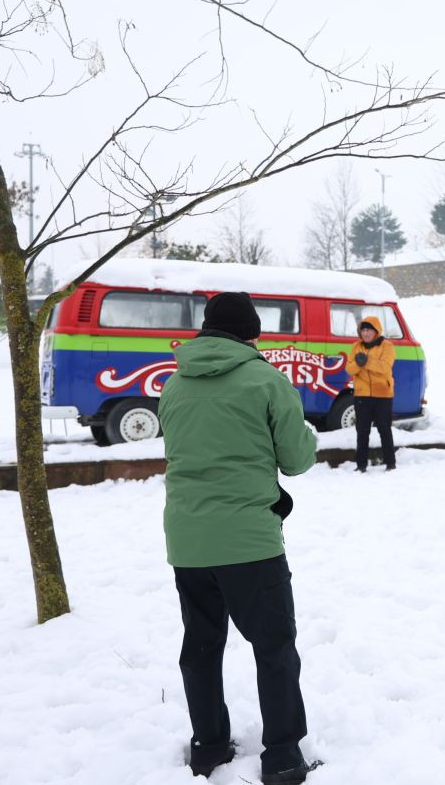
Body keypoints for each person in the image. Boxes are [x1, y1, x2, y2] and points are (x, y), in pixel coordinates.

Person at [159, 291, 318, 784]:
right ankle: (284, 756)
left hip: (187, 540)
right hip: (249, 542)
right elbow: (297, 459)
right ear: (252, 334)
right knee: (273, 646)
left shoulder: (174, 385)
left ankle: (207, 747)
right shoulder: (266, 380)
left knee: (201, 645)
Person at [345, 316, 397, 472]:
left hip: (383, 395)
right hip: (362, 395)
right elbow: (349, 369)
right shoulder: (356, 346)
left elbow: (385, 367)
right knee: (362, 431)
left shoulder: (386, 345)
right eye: (363, 330)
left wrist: (365, 362)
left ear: (376, 331)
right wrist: (359, 364)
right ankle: (361, 465)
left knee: (384, 429)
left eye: (369, 330)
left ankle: (390, 462)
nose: (366, 333)